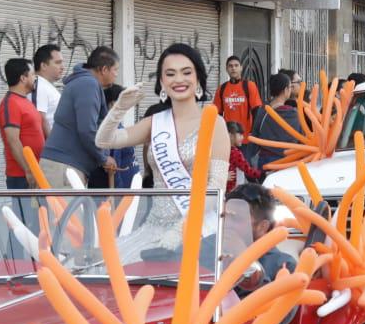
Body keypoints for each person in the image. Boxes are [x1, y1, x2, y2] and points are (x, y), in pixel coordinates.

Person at [95, 42, 231, 204]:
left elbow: (217, 187)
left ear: (198, 78)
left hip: (198, 224)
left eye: (186, 72)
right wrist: (119, 109)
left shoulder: (215, 124)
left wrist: (182, 227)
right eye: (170, 74)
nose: (179, 79)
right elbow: (104, 140)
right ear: (161, 82)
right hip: (154, 225)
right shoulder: (155, 123)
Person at [38, 46, 118, 190]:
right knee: (67, 214)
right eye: (115, 70)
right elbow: (86, 130)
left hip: (64, 167)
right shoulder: (88, 84)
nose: (116, 75)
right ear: (104, 69)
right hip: (63, 169)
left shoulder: (84, 82)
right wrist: (103, 158)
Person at [0, 58, 45, 189]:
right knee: (25, 210)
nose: (36, 78)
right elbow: (13, 141)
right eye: (33, 74)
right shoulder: (10, 103)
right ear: (23, 78)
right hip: (22, 176)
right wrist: (28, 170)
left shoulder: (25, 101)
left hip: (36, 172)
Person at [249, 72, 299, 173]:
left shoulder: (262, 111)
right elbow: (300, 137)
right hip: (288, 161)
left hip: (265, 161)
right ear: (285, 90)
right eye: (290, 87)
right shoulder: (292, 113)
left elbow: (255, 135)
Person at [101, 84, 140, 188]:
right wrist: (118, 192)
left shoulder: (116, 125)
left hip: (130, 182)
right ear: (111, 104)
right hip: (123, 187)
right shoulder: (111, 128)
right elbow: (114, 165)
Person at [215, 55, 264, 136]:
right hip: (228, 136)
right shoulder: (221, 89)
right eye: (230, 66)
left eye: (236, 65)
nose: (233, 68)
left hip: (246, 136)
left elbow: (257, 110)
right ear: (227, 69)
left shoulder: (249, 86)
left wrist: (253, 131)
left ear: (241, 68)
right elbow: (218, 114)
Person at [31, 44, 65, 135]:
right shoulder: (39, 85)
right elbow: (40, 118)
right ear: (44, 66)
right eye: (58, 63)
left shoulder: (45, 85)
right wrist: (52, 147)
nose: (62, 67)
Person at [226, 120, 262, 192]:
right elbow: (248, 170)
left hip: (224, 188)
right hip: (234, 190)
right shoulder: (236, 153)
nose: (242, 138)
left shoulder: (224, 150)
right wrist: (262, 173)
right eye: (240, 134)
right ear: (230, 135)